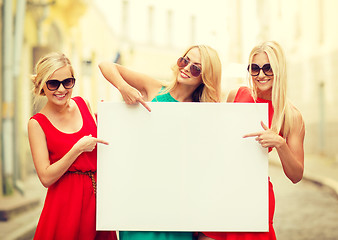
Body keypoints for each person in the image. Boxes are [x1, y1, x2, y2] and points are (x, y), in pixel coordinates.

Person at [99, 44, 222, 240]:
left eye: (196, 68)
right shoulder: (155, 88)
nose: (186, 68)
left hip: (177, 204)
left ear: (205, 76)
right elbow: (106, 65)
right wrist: (124, 89)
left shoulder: (204, 112)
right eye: (185, 60)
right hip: (139, 196)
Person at [199, 41, 305, 240]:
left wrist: (280, 144)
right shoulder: (236, 95)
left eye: (268, 68)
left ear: (279, 69)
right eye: (255, 68)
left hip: (255, 194)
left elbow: (296, 175)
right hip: (224, 188)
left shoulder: (291, 116)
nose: (261, 75)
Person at [28, 52, 117, 240]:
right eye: (53, 83)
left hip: (97, 200)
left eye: (67, 82)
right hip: (65, 204)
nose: (61, 89)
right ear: (42, 85)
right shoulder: (37, 123)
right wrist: (76, 149)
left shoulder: (83, 104)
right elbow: (45, 177)